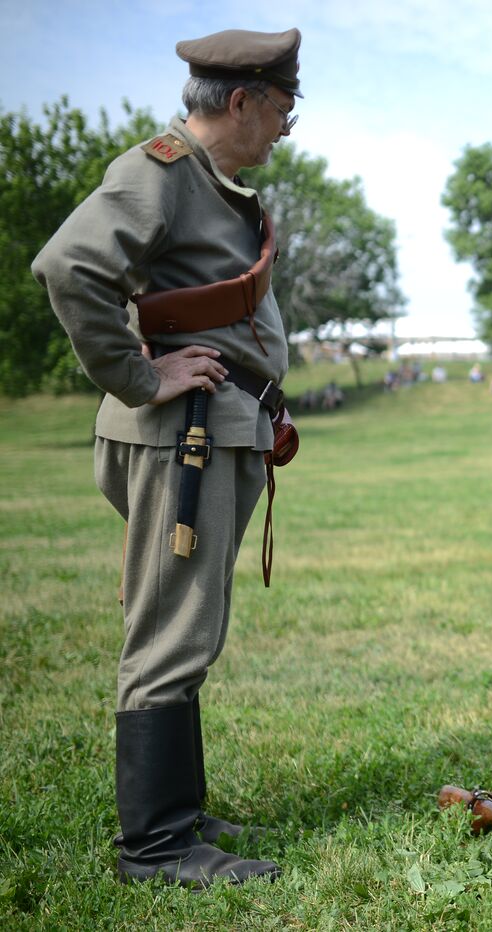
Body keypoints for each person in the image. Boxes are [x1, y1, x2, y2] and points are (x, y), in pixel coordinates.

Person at [30, 27, 302, 887]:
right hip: (177, 435)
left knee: (192, 626)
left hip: (212, 432)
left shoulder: (210, 182)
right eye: (285, 106)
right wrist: (141, 375)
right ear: (241, 100)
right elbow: (70, 265)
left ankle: (179, 813)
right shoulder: (159, 170)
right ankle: (153, 848)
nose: (289, 126)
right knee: (169, 633)